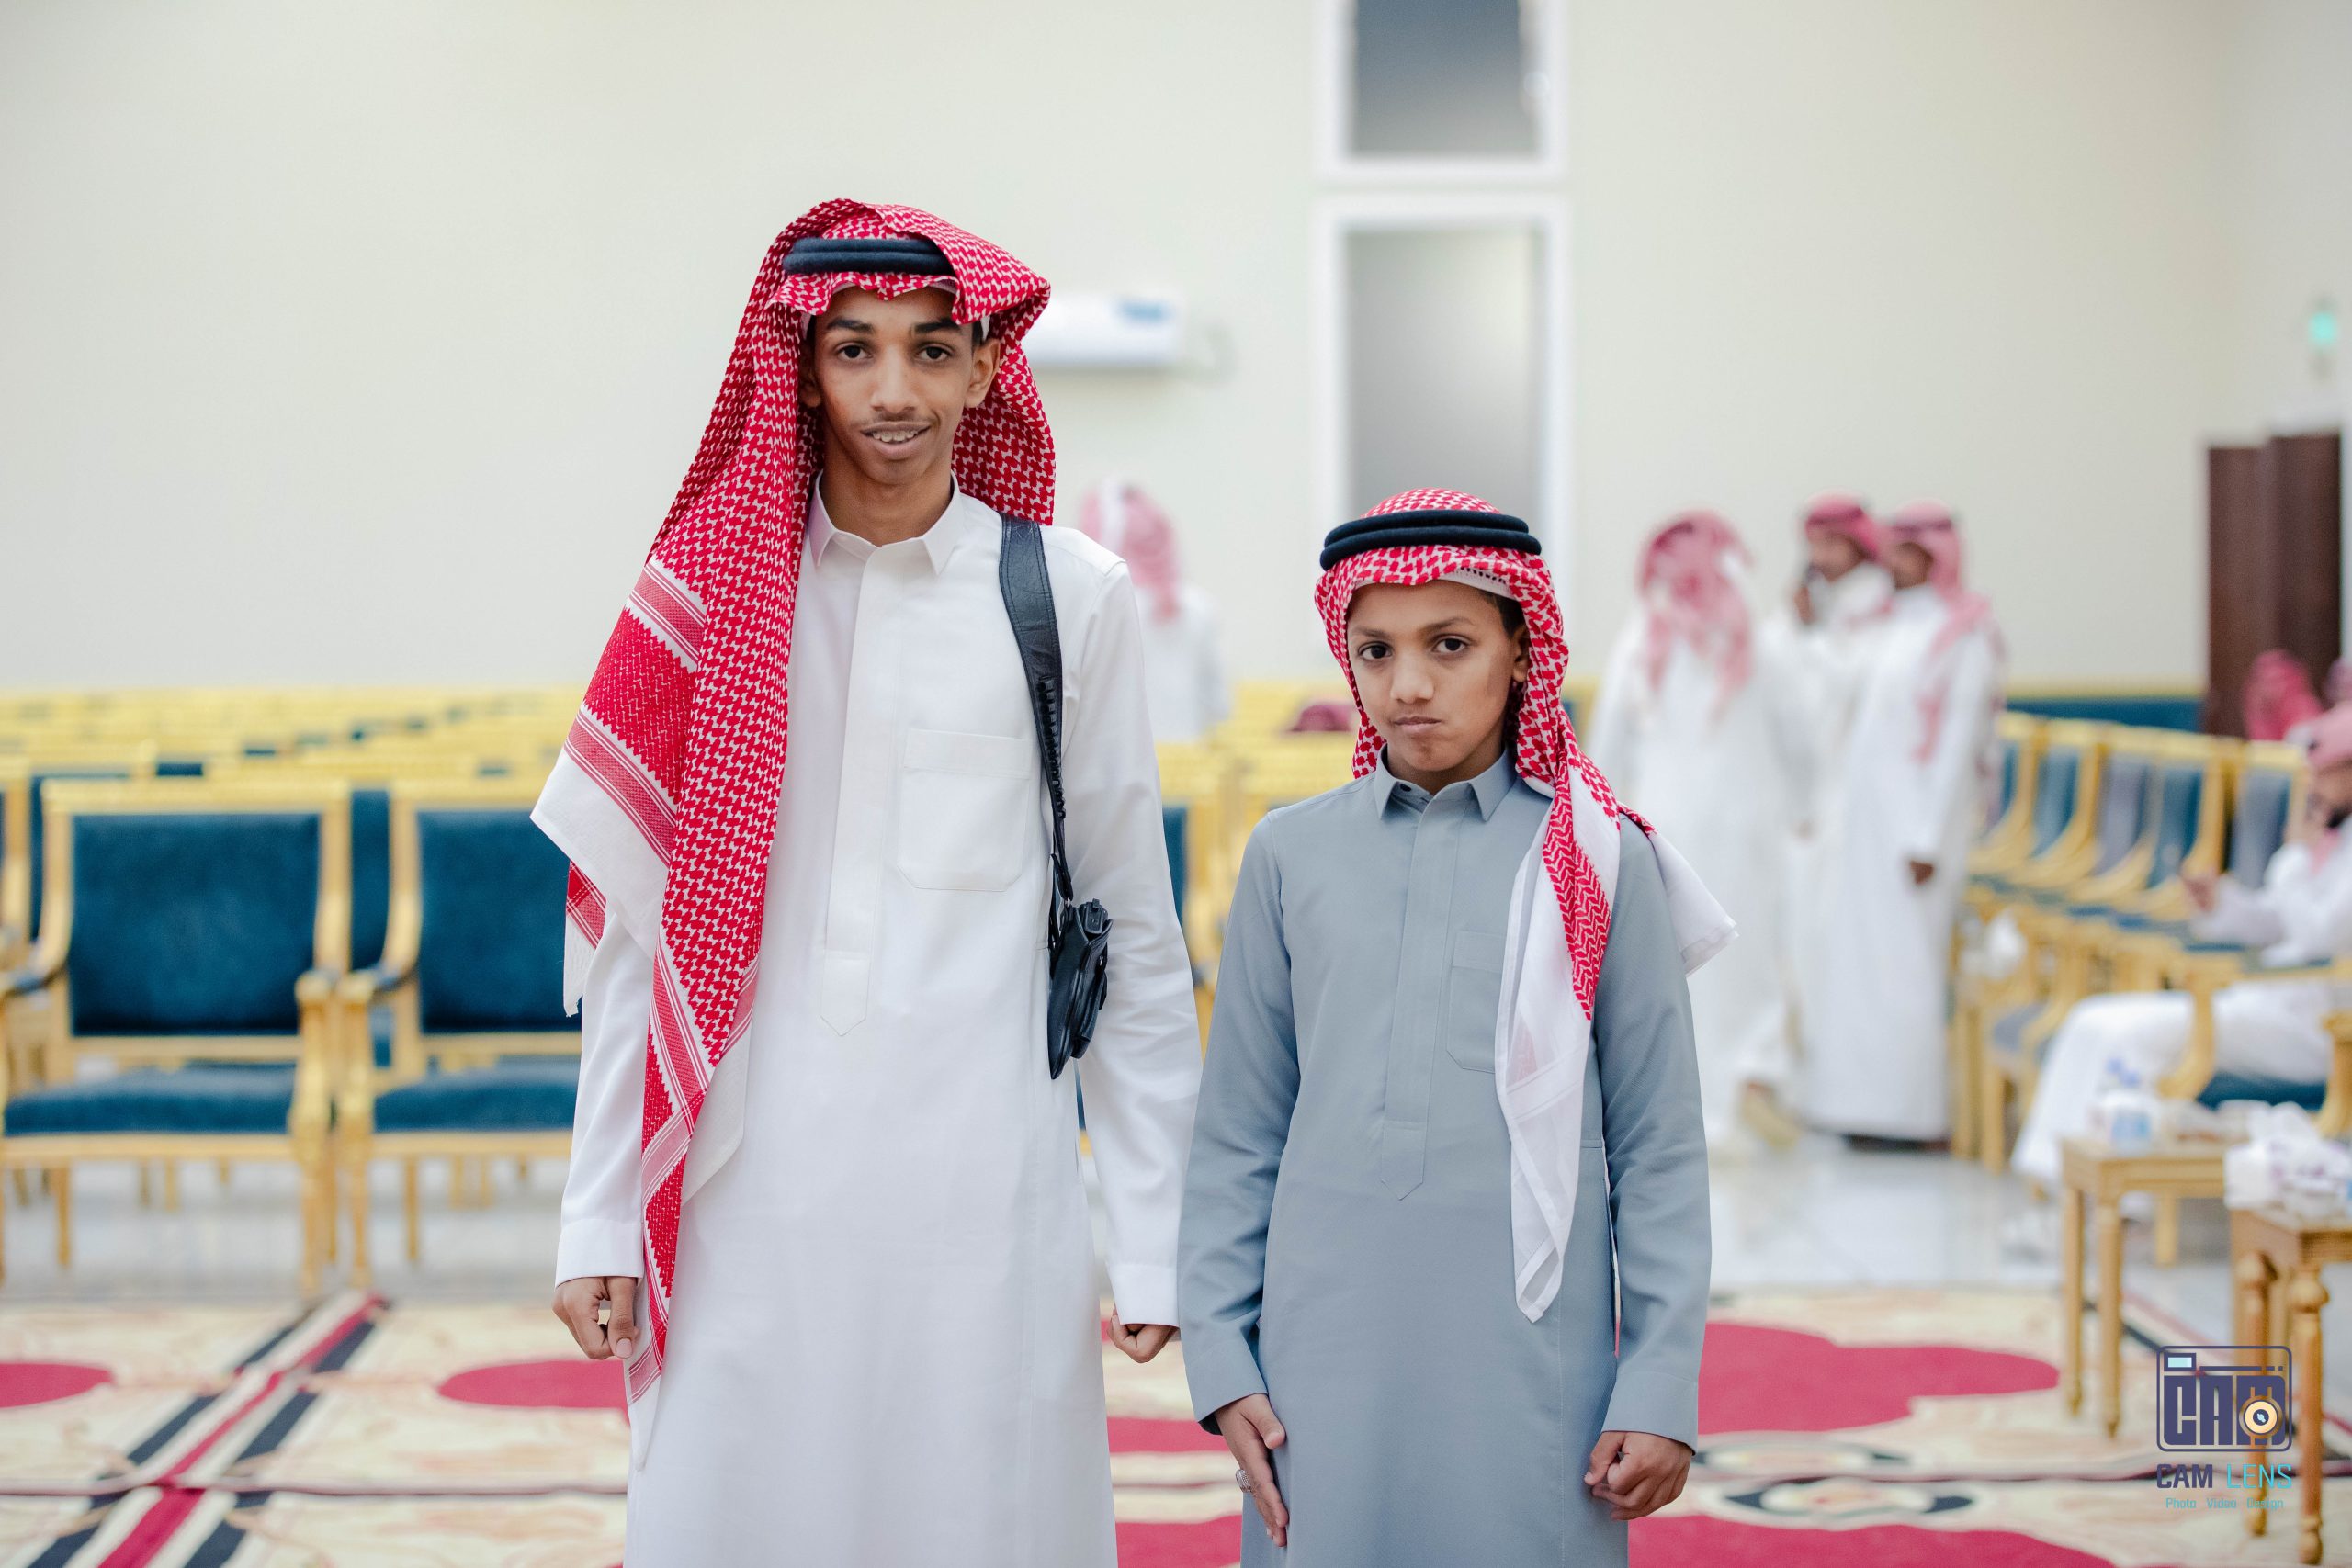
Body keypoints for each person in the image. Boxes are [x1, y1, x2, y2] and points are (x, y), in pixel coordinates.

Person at [535, 201, 1202, 1567]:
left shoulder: (1070, 597)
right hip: (747, 1185)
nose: (895, 389)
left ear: (984, 368)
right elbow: (641, 943)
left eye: (931, 349)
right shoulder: (710, 596)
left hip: (985, 1188)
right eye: (854, 350)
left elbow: (1127, 926)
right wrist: (600, 1208)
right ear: (801, 369)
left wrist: (1155, 1231)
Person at [1178, 490, 1727, 1566]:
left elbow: (1658, 1145)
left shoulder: (1600, 861)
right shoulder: (1289, 856)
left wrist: (1659, 1382)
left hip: (1533, 1356)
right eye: (1375, 651)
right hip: (1319, 1348)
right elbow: (1238, 1130)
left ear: (1521, 652)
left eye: (1450, 644)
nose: (1408, 686)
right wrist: (1223, 1358)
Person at [2012, 705, 2352, 1185]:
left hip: (2321, 1027)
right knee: (2092, 1020)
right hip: (2270, 1003)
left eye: (2325, 774)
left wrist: (2297, 854)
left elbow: (2321, 936)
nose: (2311, 785)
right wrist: (2220, 903)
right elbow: (2276, 921)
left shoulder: (2318, 845)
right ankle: (2057, 1179)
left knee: (2131, 1037)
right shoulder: (2329, 838)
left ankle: (2121, 1197)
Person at [1589, 510, 1810, 1150]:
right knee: (1743, 960)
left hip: (1673, 831)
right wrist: (1804, 812)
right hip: (1745, 829)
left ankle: (1699, 1103)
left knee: (1685, 963)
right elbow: (1800, 739)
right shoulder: (1757, 638)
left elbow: (1609, 742)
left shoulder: (1645, 637)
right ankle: (1743, 1086)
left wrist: (1600, 820)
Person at [1803, 501, 2005, 1145]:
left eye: (1906, 553)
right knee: (1861, 967)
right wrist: (1818, 625)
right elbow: (1838, 693)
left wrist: (1926, 838)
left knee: (1906, 969)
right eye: (1890, 550)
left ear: (1937, 558)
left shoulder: (1964, 634)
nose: (1891, 563)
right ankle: (1861, 1109)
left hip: (1919, 836)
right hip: (1869, 825)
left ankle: (1914, 1117)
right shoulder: (1892, 627)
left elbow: (1957, 744)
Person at [1778, 495, 1892, 1061]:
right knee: (1805, 931)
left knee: (1840, 931)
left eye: (1830, 543)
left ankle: (1843, 1060)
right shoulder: (1826, 602)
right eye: (1813, 544)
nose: (1819, 556)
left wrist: (1810, 634)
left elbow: (1846, 688)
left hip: (1859, 792)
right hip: (1818, 790)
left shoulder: (1876, 602)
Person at [1077, 479, 1232, 743]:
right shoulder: (1199, 607)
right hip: (1191, 760)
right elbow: (1219, 705)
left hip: (1119, 759)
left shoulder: (1100, 608)